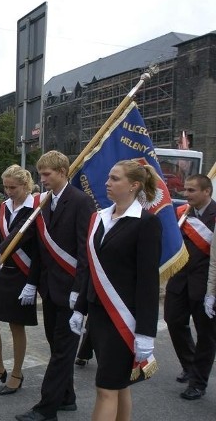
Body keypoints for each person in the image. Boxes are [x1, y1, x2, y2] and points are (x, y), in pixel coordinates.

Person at [70, 160, 161, 421]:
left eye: (115, 178)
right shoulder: (98, 218)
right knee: (119, 386)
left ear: (134, 185)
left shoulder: (146, 223)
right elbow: (91, 268)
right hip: (98, 315)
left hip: (124, 319)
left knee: (106, 388)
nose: (108, 182)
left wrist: (145, 332)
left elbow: (148, 282)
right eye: (109, 177)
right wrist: (80, 309)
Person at [15, 150, 95, 421]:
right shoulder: (46, 202)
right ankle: (67, 398)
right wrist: (32, 282)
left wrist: (79, 291)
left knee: (62, 351)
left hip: (71, 290)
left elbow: (86, 251)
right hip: (49, 288)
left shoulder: (81, 202)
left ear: (62, 172)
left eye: (47, 174)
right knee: (57, 346)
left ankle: (46, 409)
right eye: (40, 174)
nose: (42, 178)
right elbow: (42, 248)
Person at [0, 165, 38, 395]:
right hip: (4, 269)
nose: (8, 191)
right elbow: (0, 236)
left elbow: (20, 234)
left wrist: (33, 282)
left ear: (25, 185)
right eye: (5, 186)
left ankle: (17, 372)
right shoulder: (5, 206)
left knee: (16, 324)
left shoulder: (36, 207)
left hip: (24, 271)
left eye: (12, 187)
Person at [164, 174, 216, 400]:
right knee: (174, 321)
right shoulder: (182, 213)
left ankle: (198, 382)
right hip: (180, 281)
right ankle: (189, 364)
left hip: (205, 286)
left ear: (207, 192)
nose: (186, 194)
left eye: (192, 190)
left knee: (206, 335)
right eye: (185, 190)